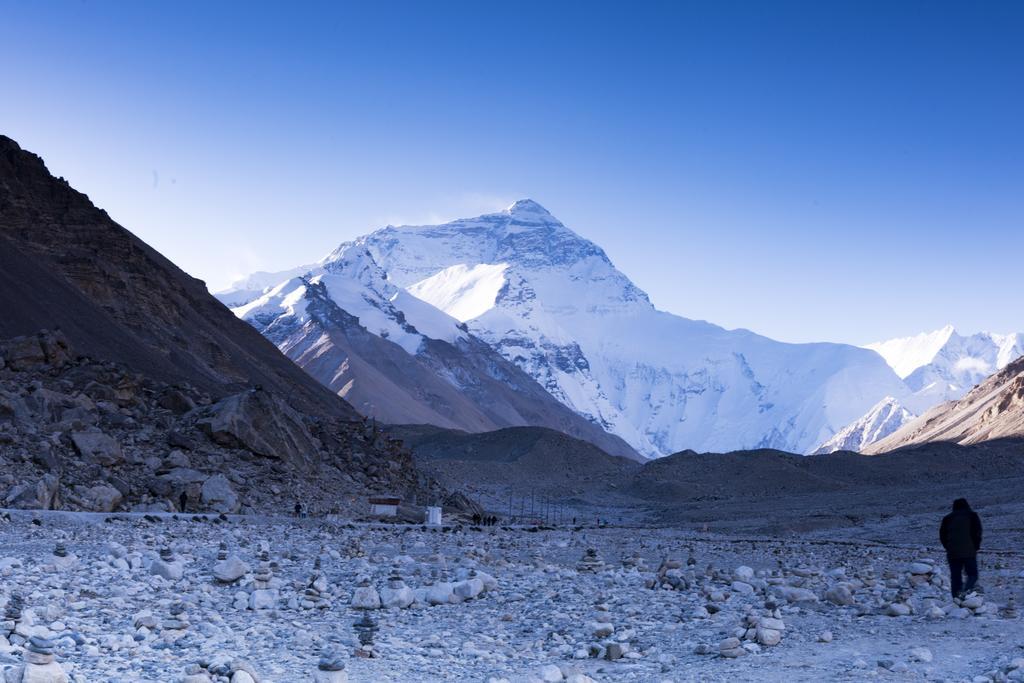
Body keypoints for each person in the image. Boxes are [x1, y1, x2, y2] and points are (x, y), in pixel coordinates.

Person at [939, 498, 983, 599]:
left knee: (955, 577)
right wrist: (975, 547)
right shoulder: (972, 515)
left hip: (952, 552)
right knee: (972, 574)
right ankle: (966, 591)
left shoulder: (947, 518)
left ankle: (956, 598)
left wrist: (948, 547)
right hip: (969, 552)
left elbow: (942, 535)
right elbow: (977, 533)